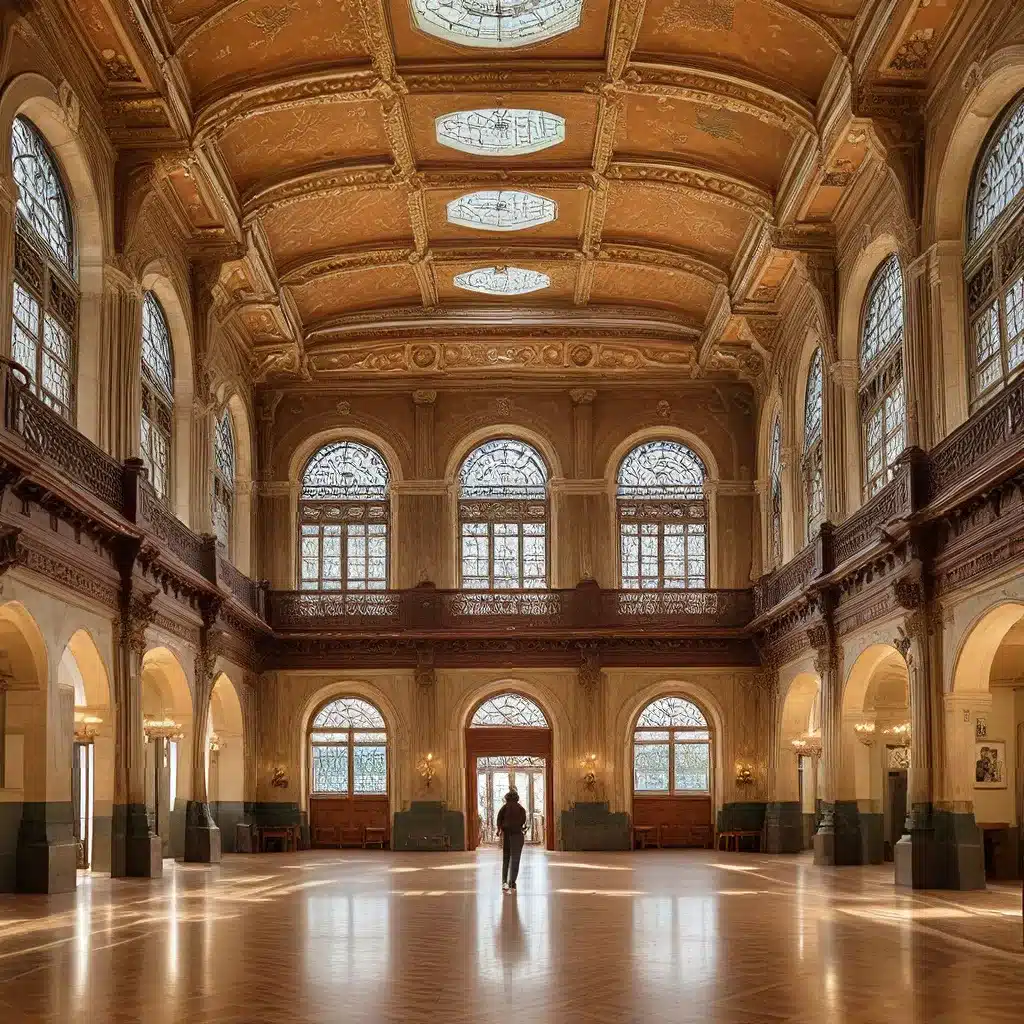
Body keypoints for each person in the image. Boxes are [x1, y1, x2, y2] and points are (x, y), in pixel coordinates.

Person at [496, 790, 527, 893]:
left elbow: (499, 819)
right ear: (517, 798)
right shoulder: (521, 808)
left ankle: (504, 882)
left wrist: (499, 830)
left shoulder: (504, 807)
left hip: (507, 835)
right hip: (517, 835)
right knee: (515, 859)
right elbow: (523, 821)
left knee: (506, 858)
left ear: (507, 798)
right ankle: (512, 882)